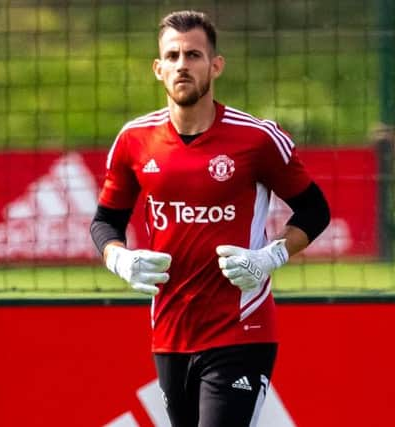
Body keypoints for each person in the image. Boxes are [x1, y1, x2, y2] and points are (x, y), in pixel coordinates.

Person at [90, 10, 330, 427]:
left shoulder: (256, 139)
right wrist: (120, 259)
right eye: (173, 55)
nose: (183, 64)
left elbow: (316, 210)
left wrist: (270, 257)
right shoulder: (134, 141)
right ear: (158, 68)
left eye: (194, 55)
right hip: (169, 330)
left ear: (215, 65)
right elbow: (105, 221)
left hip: (242, 328)